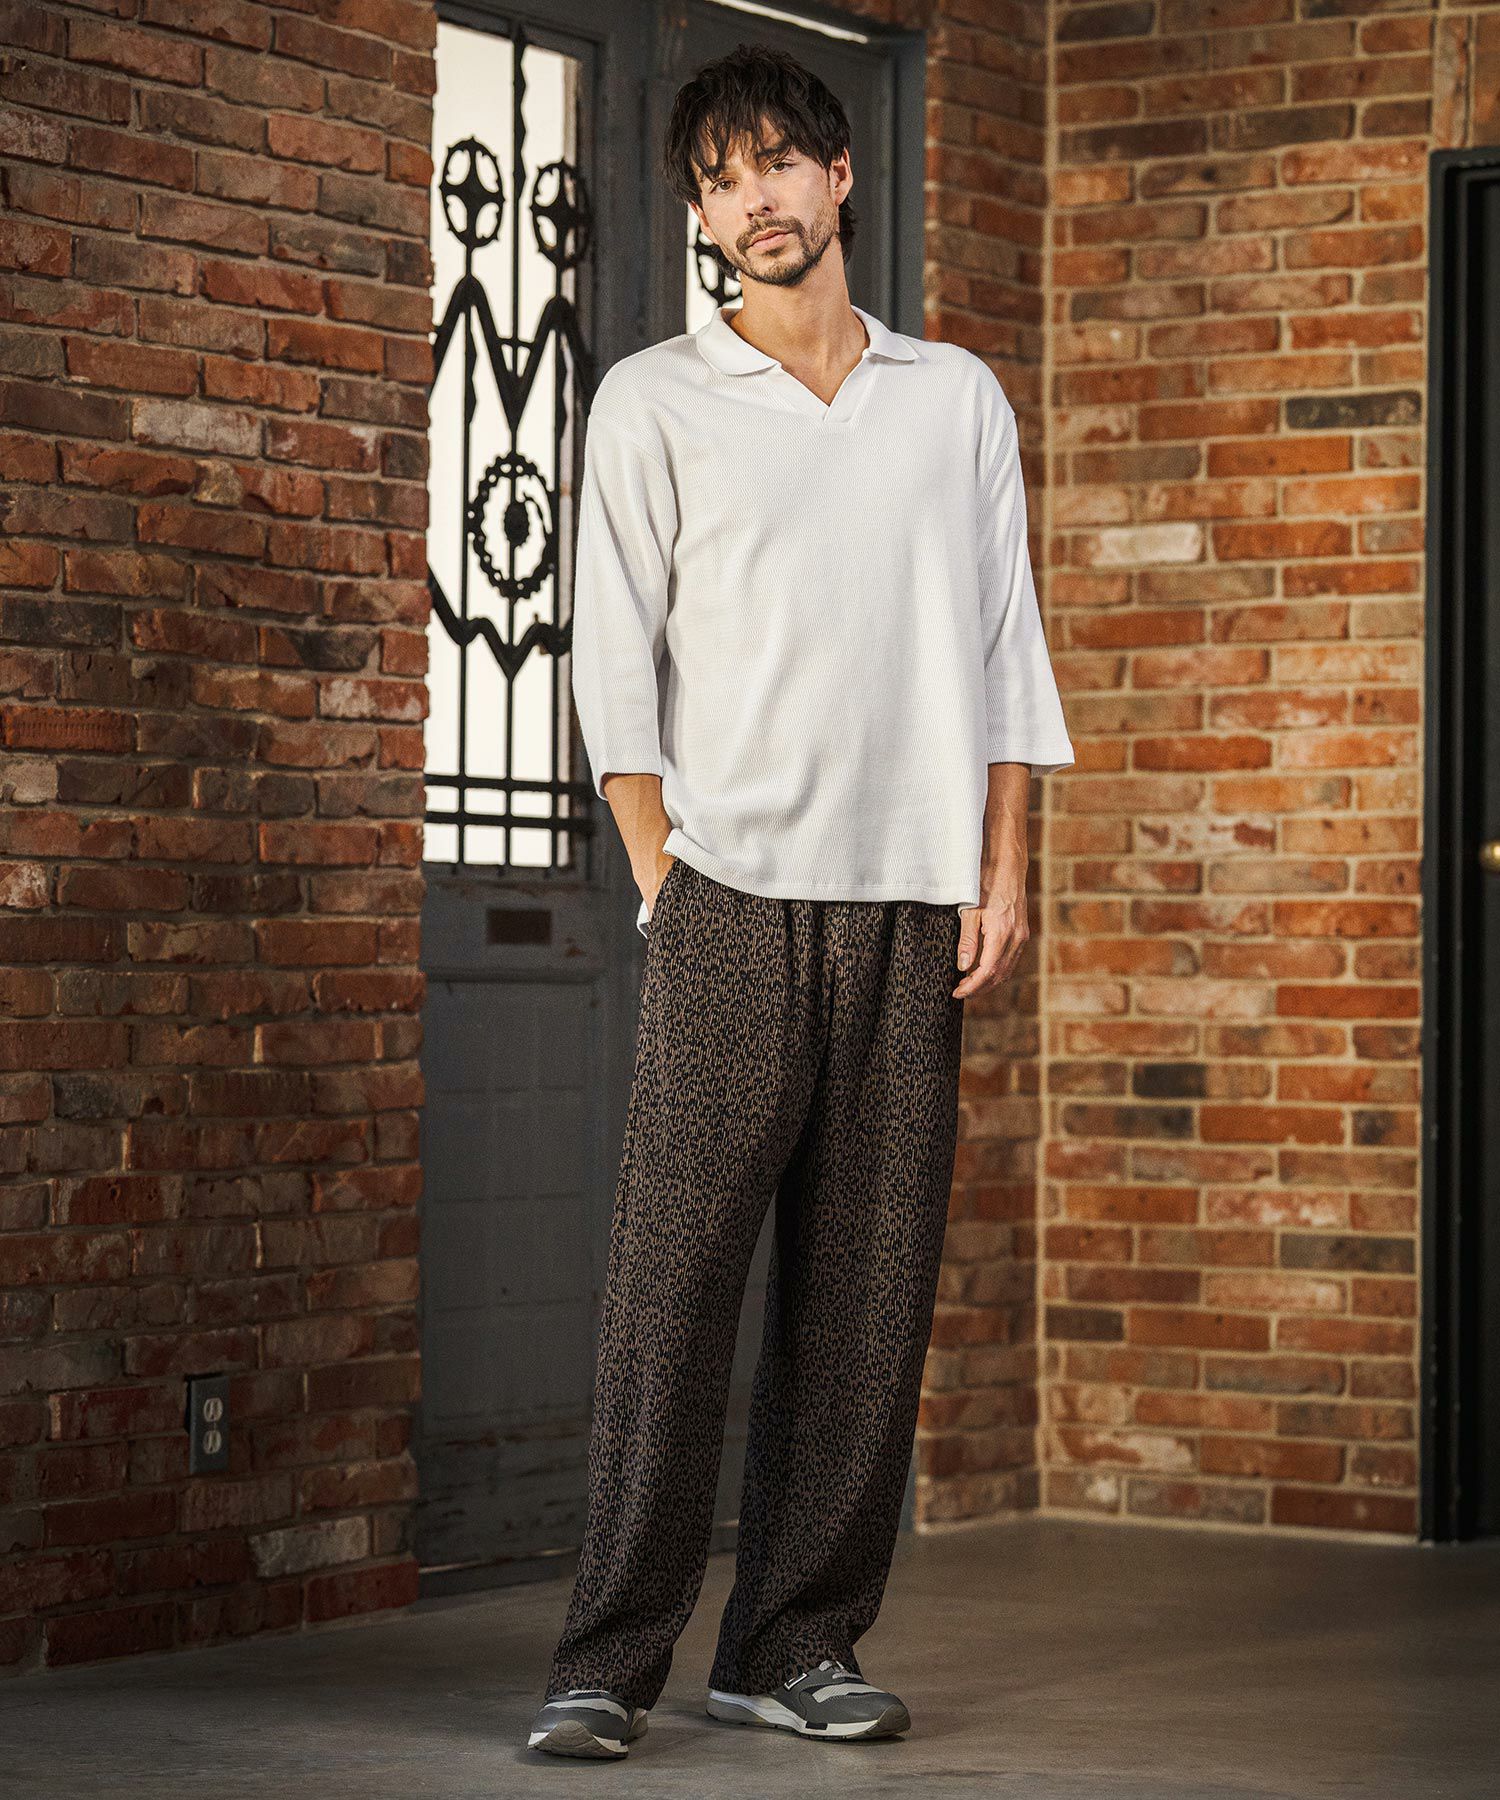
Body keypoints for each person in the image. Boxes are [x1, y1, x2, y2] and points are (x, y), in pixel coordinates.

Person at [526, 42, 1073, 1761]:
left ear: (839, 176)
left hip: (910, 903)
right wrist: (661, 876)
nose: (750, 201)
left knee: (867, 1293)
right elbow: (611, 662)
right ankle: (605, 1661)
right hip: (733, 896)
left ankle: (794, 1644)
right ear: (702, 218)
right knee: (670, 1291)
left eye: (775, 164)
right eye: (717, 182)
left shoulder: (954, 397)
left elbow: (1005, 645)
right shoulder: (654, 401)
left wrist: (1004, 865)